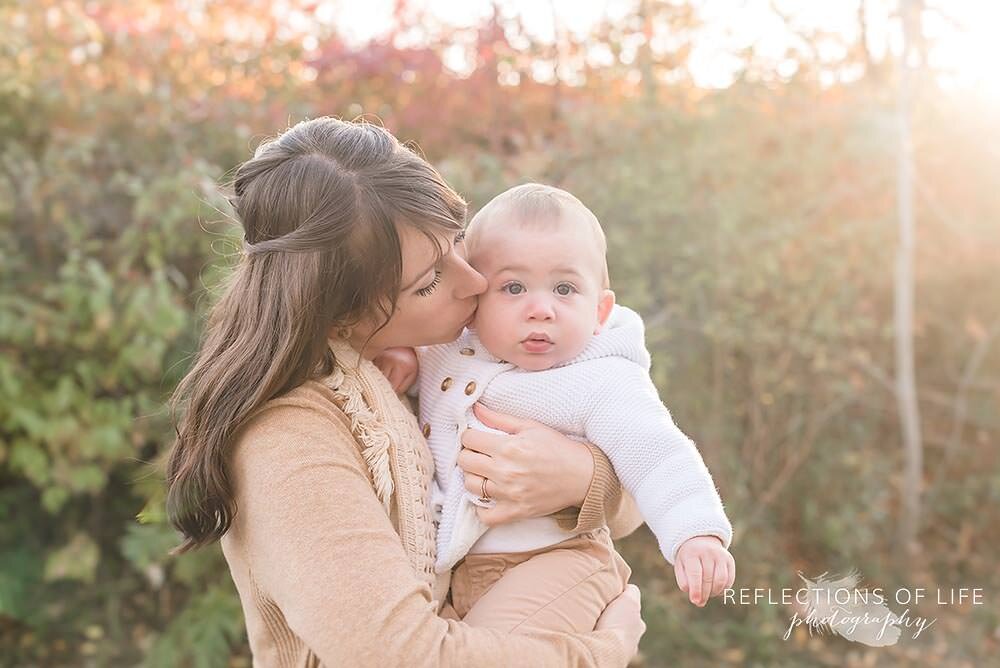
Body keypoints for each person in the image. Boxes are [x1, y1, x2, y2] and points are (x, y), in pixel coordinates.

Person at [164, 117, 646, 667]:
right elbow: (403, 656)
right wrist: (600, 654)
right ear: (341, 315)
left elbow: (633, 495)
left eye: (458, 242)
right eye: (430, 281)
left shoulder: (440, 359)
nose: (475, 281)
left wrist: (584, 478)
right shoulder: (291, 441)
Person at [376, 183, 736, 634]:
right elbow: (404, 341)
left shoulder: (603, 379)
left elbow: (658, 454)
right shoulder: (449, 351)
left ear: (601, 310)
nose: (541, 308)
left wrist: (694, 533)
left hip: (556, 563)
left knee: (492, 654)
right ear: (473, 301)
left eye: (565, 288)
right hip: (457, 571)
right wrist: (401, 353)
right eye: (513, 287)